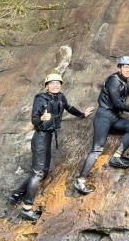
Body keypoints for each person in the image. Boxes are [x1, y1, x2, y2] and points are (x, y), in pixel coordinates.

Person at [9, 74, 95, 221]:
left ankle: (16, 194)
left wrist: (82, 114)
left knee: (42, 171)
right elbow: (34, 119)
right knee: (38, 173)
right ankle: (27, 208)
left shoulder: (60, 97)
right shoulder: (40, 98)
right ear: (46, 85)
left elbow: (68, 108)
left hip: (48, 137)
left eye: (58, 83)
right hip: (40, 137)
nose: (55, 85)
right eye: (52, 83)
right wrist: (41, 118)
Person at [74, 57, 129, 195]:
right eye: (125, 67)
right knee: (97, 149)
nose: (128, 69)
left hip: (114, 118)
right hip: (103, 117)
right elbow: (117, 104)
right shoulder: (113, 80)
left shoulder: (123, 81)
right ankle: (80, 181)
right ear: (119, 68)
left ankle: (116, 156)